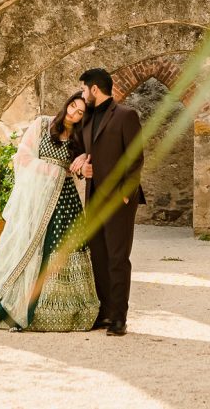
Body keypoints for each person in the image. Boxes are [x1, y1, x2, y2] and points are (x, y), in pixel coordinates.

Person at [0, 92, 99, 332]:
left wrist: (83, 159)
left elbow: (79, 171)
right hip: (35, 201)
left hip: (65, 203)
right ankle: (6, 307)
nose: (73, 112)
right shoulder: (42, 124)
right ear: (67, 104)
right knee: (25, 249)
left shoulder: (79, 137)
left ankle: (59, 311)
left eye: (80, 112)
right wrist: (54, 170)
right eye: (73, 106)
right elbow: (22, 157)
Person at [69, 67, 145, 337]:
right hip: (93, 198)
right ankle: (104, 312)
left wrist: (126, 193)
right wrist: (79, 167)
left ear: (95, 89)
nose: (81, 93)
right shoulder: (86, 119)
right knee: (98, 257)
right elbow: (77, 151)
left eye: (83, 88)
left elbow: (135, 157)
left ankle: (119, 318)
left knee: (117, 258)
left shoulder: (126, 116)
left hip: (119, 200)